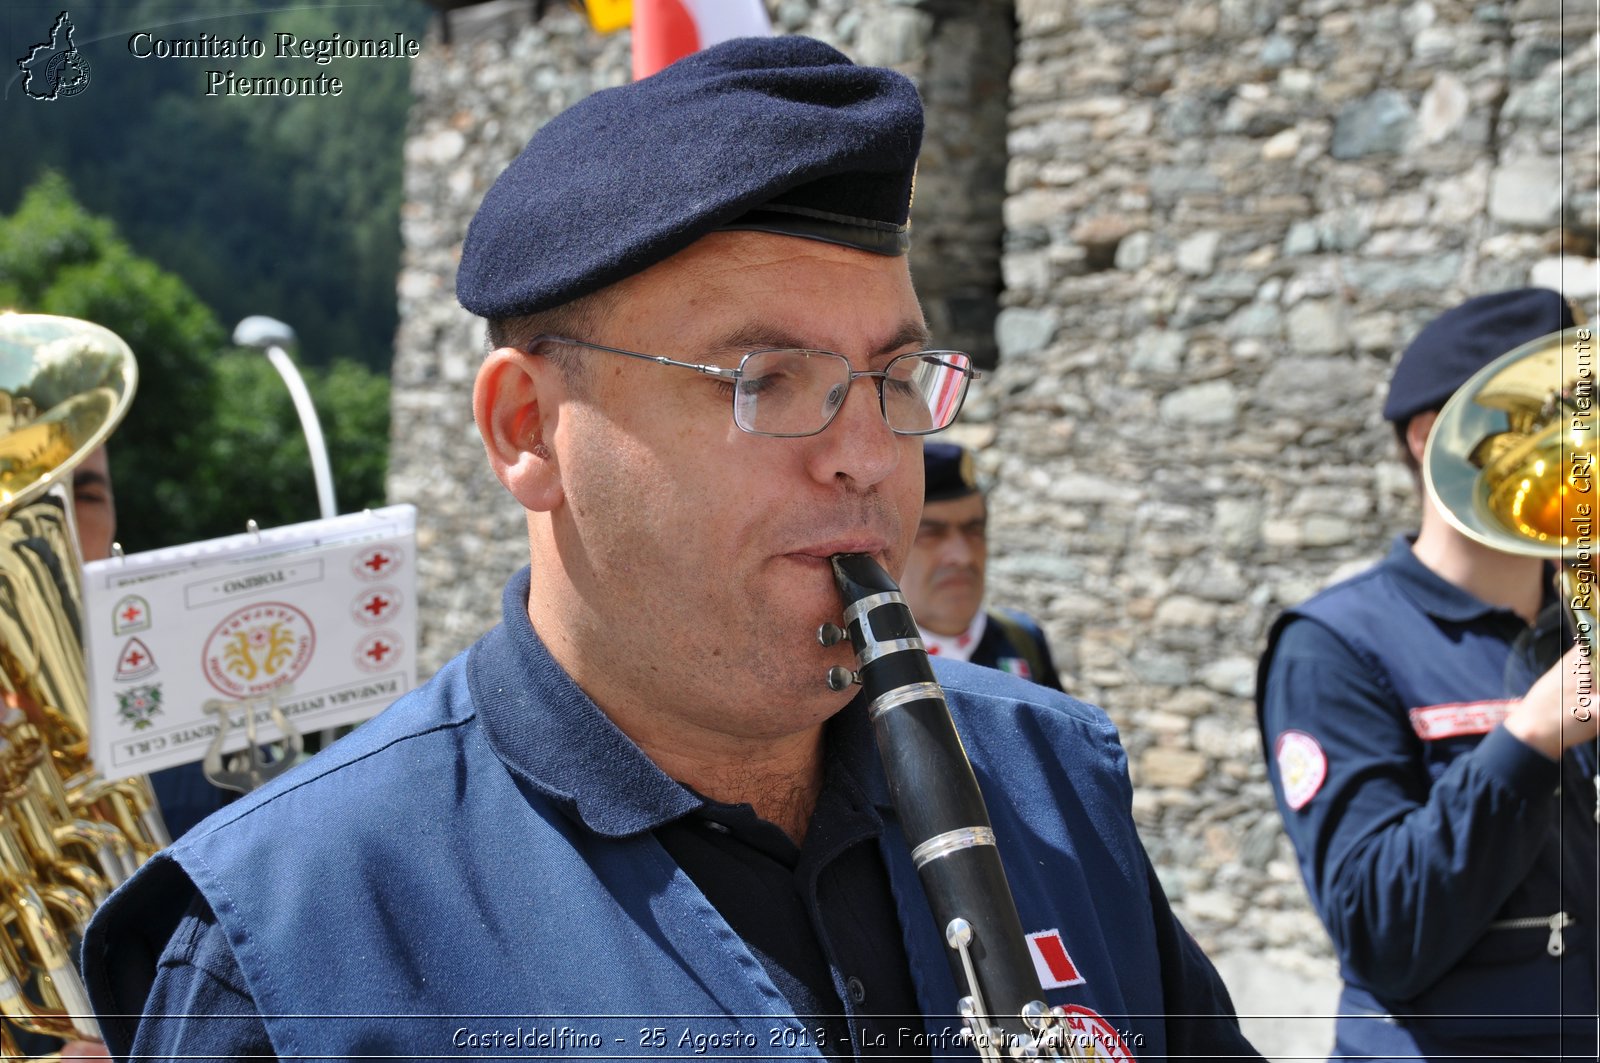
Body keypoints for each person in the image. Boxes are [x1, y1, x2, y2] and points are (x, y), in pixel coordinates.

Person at [83, 38, 1261, 1060]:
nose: (865, 455)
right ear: (526, 429)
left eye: (896, 379)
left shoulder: (1051, 780)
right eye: (765, 380)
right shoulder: (292, 934)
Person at [1255, 288, 1599, 1060]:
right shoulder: (1334, 645)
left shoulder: (1584, 622)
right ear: (1432, 436)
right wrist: (1531, 737)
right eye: (1554, 416)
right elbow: (1381, 929)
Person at [901, 442, 1062, 690]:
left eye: (973, 531)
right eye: (931, 533)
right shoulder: (861, 663)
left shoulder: (1022, 642)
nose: (962, 556)